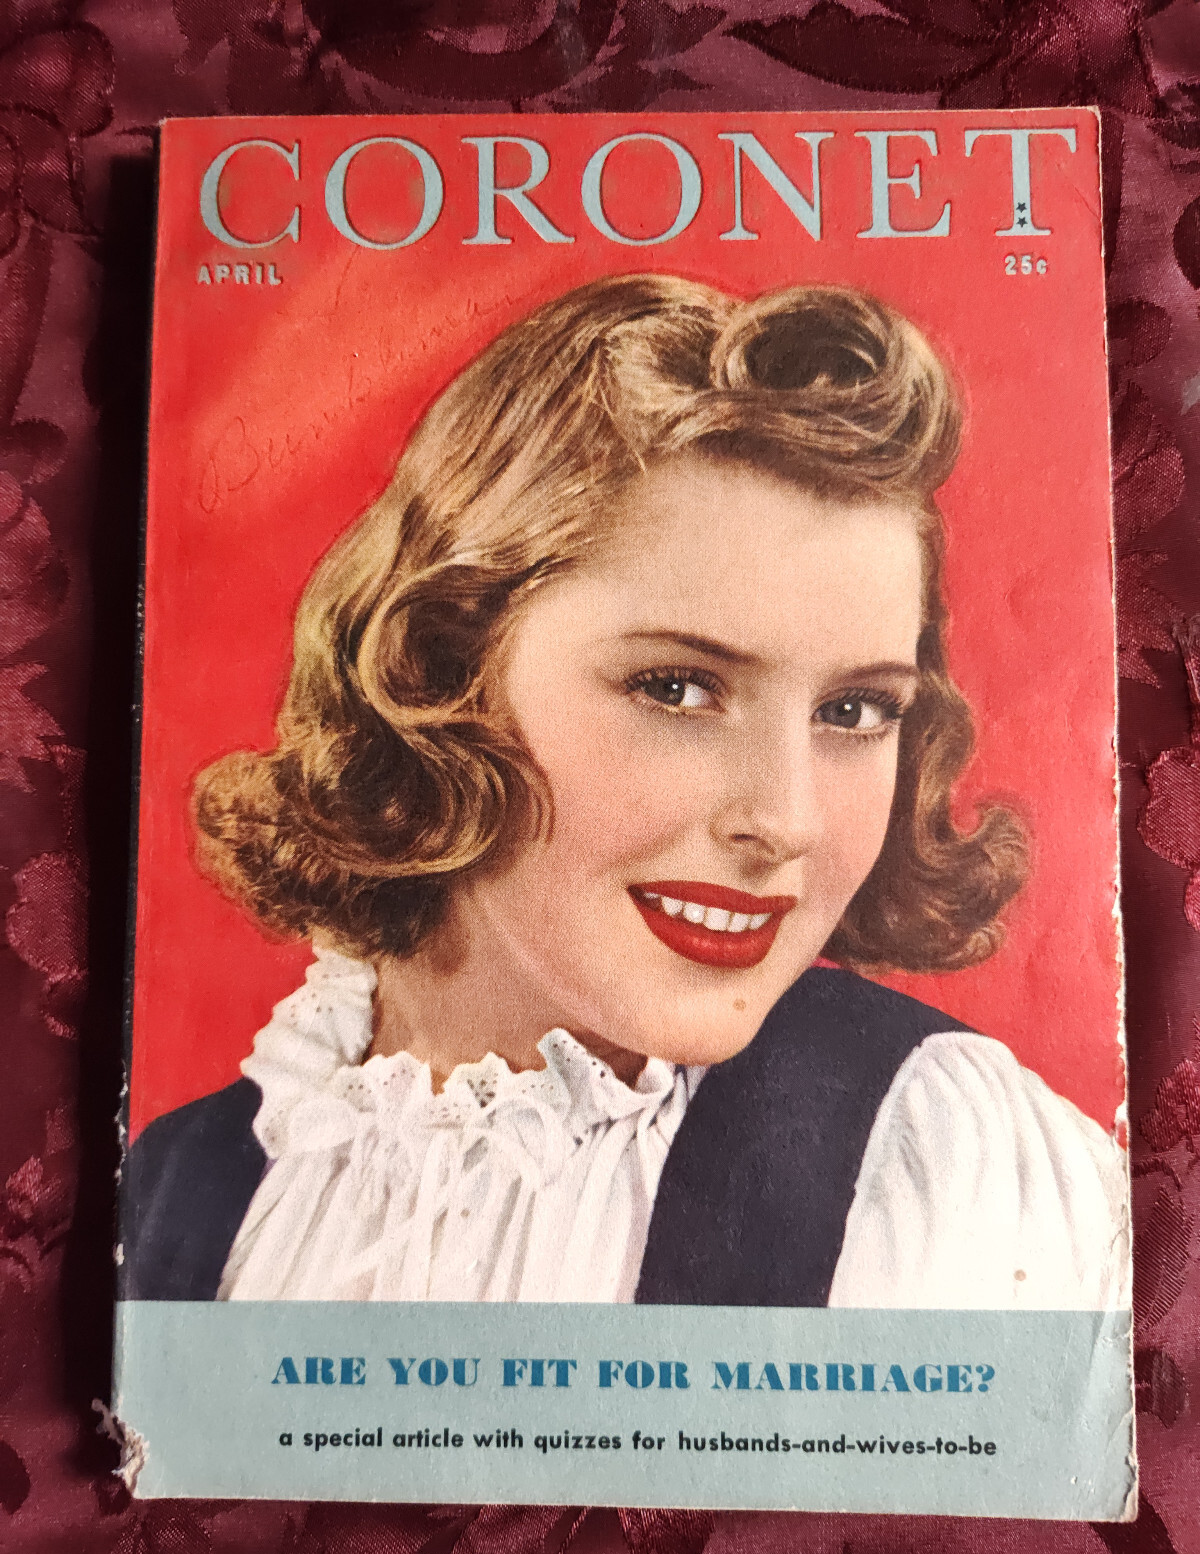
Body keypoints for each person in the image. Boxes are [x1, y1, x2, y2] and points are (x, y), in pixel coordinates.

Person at [122, 275, 1128, 1309]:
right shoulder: (184, 1182)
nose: (783, 820)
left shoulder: (935, 1154)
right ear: (439, 666)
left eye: (854, 710)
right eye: (678, 687)